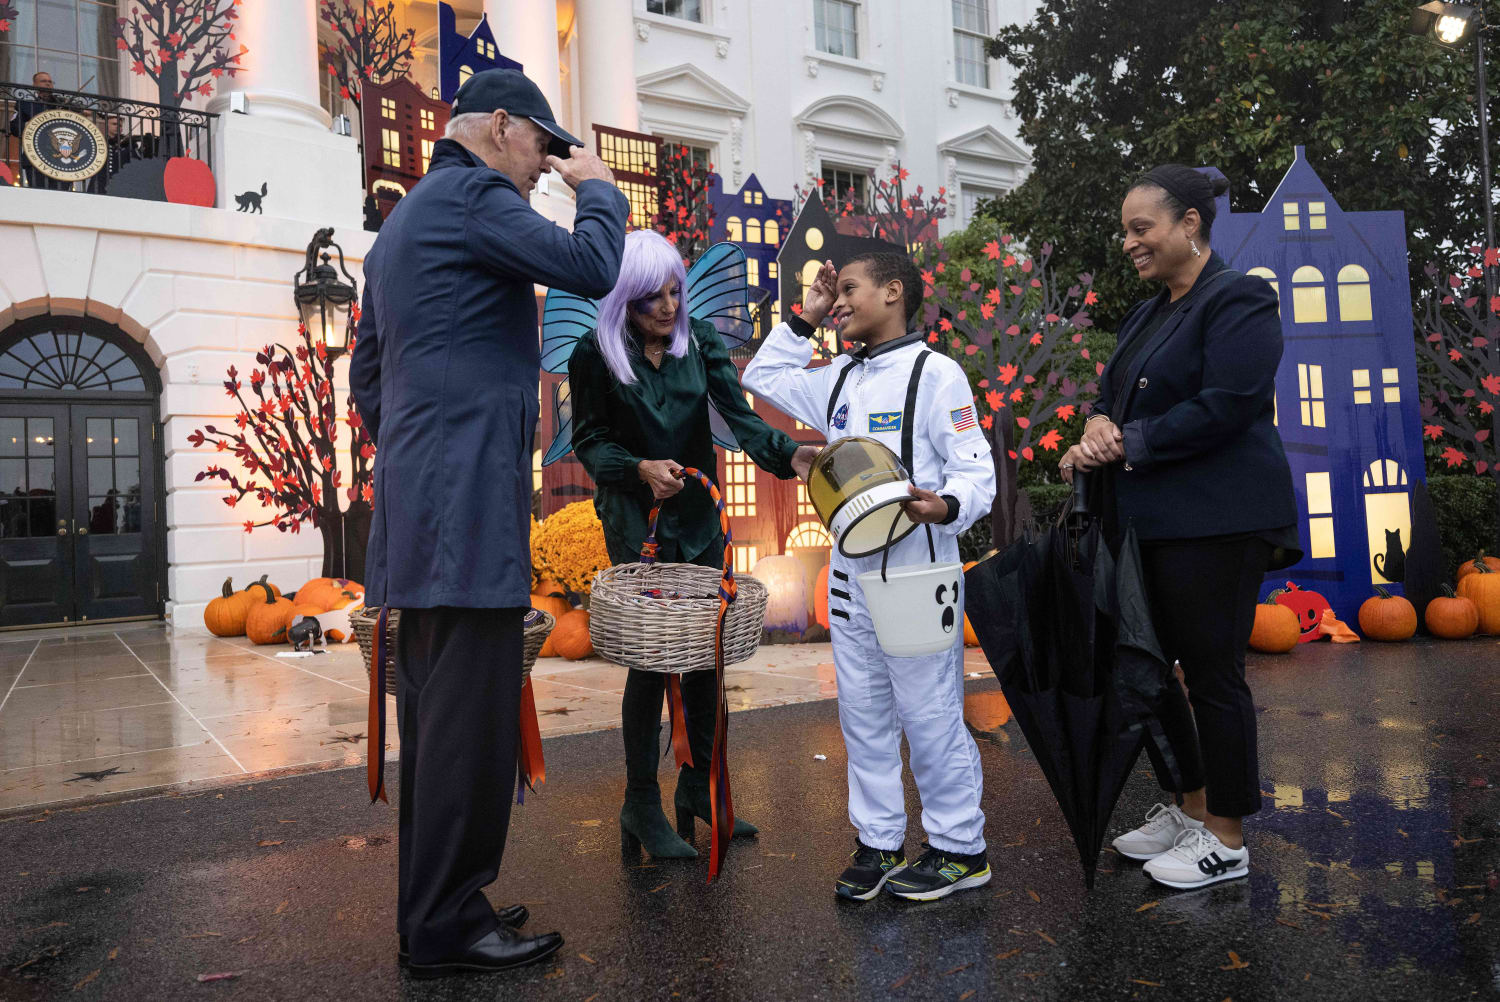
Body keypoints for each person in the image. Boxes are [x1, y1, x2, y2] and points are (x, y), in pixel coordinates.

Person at [349, 68, 628, 978]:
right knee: (467, 729)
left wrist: (423, 443)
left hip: (422, 507)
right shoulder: (471, 193)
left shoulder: (400, 223)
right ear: (499, 125)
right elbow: (591, 266)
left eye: (559, 159)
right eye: (542, 148)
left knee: (438, 729)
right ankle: (446, 929)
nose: (545, 168)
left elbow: (367, 379)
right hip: (464, 508)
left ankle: (436, 911)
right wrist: (598, 192)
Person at [1059, 164, 1299, 892]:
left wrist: (1129, 441)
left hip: (1220, 522)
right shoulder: (1148, 313)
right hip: (1151, 524)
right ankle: (1189, 806)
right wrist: (1098, 429)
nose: (1129, 242)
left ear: (1190, 224)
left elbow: (1230, 402)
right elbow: (1109, 398)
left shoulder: (1241, 298)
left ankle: (1227, 835)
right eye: (1125, 230)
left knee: (1214, 676)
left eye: (1142, 228)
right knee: (1150, 668)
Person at [744, 253, 996, 902]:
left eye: (849, 289)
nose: (842, 301)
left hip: (918, 570)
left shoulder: (937, 376)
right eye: (837, 294)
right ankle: (879, 841)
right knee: (862, 717)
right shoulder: (837, 379)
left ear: (894, 292)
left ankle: (959, 848)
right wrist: (807, 313)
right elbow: (765, 372)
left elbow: (977, 476)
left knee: (931, 713)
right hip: (850, 574)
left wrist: (944, 505)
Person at [567, 229, 819, 861]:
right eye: (653, 296)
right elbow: (591, 441)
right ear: (625, 297)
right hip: (638, 525)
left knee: (706, 659)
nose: (669, 307)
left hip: (700, 523)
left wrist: (795, 456)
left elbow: (742, 419)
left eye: (675, 292)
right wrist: (638, 468)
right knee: (650, 662)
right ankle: (640, 803)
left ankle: (700, 788)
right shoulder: (593, 354)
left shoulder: (700, 343)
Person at [8, 71, 64, 190]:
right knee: (39, 193)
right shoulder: (26, 104)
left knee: (61, 197)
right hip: (35, 157)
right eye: (43, 81)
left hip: (61, 158)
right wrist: (33, 124)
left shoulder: (61, 104)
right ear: (34, 85)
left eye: (50, 82)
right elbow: (14, 128)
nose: (48, 84)